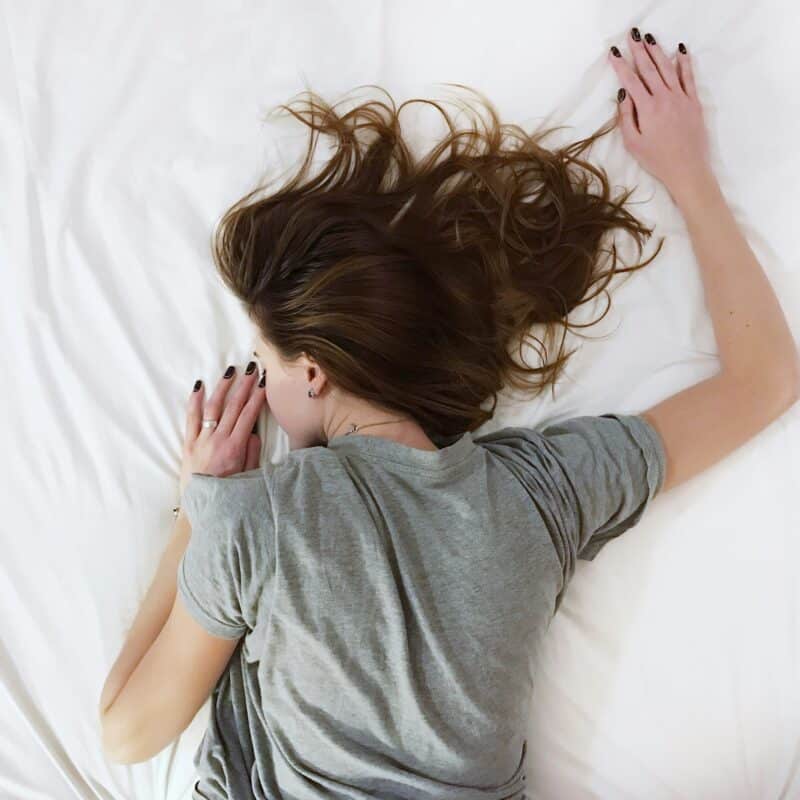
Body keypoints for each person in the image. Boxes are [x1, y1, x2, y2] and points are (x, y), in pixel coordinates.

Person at [108, 27, 800, 799]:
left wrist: (196, 504)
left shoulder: (256, 518)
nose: (261, 387)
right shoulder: (540, 493)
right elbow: (765, 381)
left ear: (314, 371)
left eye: (264, 364)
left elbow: (126, 731)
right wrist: (689, 177)